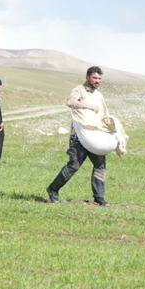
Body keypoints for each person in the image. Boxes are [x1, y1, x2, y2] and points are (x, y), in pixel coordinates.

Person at [46, 66, 110, 206]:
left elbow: (103, 113)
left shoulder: (99, 95)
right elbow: (70, 102)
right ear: (87, 77)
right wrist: (88, 105)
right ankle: (53, 189)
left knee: (100, 166)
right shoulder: (78, 90)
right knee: (73, 166)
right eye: (94, 78)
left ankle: (99, 197)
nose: (97, 81)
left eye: (99, 78)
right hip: (78, 136)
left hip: (95, 136)